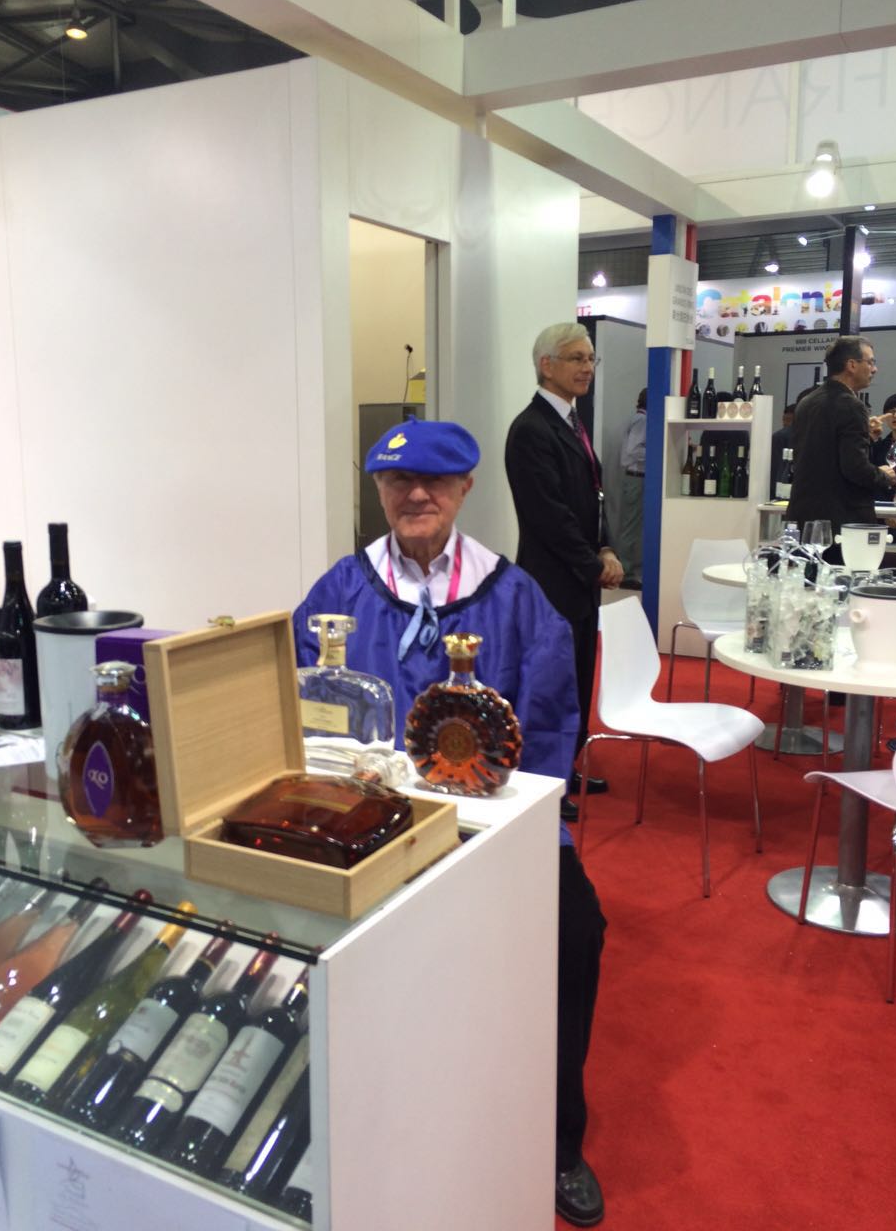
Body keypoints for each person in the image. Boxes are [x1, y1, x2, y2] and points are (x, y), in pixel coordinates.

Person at [294, 416, 607, 1227]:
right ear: (379, 490)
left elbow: (549, 726)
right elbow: (300, 720)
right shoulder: (337, 596)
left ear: (466, 488)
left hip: (494, 826)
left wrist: (505, 825)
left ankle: (557, 1140)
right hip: (369, 825)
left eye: (435, 482)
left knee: (576, 929)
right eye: (399, 481)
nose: (416, 495)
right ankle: (339, 1123)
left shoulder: (514, 596)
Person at [504, 322, 623, 821]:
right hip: (550, 581)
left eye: (591, 358)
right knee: (550, 683)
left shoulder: (572, 421)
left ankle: (566, 768)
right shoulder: (531, 430)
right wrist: (592, 563)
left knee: (577, 677)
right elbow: (548, 515)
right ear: (546, 365)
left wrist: (607, 545)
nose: (587, 368)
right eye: (576, 358)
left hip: (578, 580)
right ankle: (542, 782)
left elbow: (594, 495)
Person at [787, 335, 896, 542]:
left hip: (804, 517)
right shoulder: (851, 405)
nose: (874, 369)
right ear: (852, 365)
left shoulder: (807, 402)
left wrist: (867, 437)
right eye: (871, 362)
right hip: (842, 522)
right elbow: (854, 468)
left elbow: (823, 454)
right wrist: (884, 476)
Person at [616, 387, 646, 589]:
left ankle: (630, 569)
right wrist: (659, 450)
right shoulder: (642, 421)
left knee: (632, 525)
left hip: (635, 478)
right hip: (637, 478)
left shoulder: (636, 419)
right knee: (631, 527)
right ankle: (626, 573)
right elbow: (633, 451)